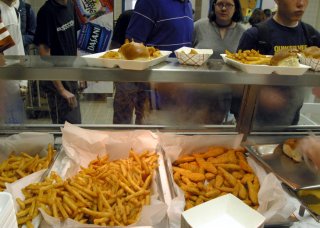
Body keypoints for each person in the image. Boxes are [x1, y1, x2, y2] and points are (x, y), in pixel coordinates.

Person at [232, 0, 320, 127]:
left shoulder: (312, 36)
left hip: (291, 122)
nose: (301, 4)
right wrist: (263, 94)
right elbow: (235, 83)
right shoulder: (256, 35)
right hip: (253, 124)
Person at [124, 0, 194, 124]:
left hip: (180, 88)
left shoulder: (187, 4)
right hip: (153, 90)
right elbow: (131, 46)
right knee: (149, 137)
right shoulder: (149, 2)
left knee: (176, 136)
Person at [191, 0, 244, 124]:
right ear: (213, 6)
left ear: (236, 8)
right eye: (220, 4)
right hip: (198, 90)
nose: (224, 8)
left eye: (229, 5)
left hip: (229, 94)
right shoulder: (199, 26)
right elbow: (187, 52)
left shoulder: (243, 32)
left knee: (218, 134)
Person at [34, 0, 82, 124]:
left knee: (75, 125)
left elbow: (72, 41)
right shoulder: (46, 12)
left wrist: (79, 72)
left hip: (71, 75)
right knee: (64, 127)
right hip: (57, 81)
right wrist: (61, 90)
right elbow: (45, 54)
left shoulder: (71, 6)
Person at [111, 10, 141, 124]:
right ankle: (122, 141)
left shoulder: (158, 16)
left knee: (144, 119)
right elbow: (114, 47)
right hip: (125, 75)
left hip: (148, 78)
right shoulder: (127, 16)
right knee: (122, 120)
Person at [0, 0, 26, 124]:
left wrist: (23, 81)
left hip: (14, 82)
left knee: (16, 126)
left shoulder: (15, 11)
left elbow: (19, 46)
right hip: (4, 83)